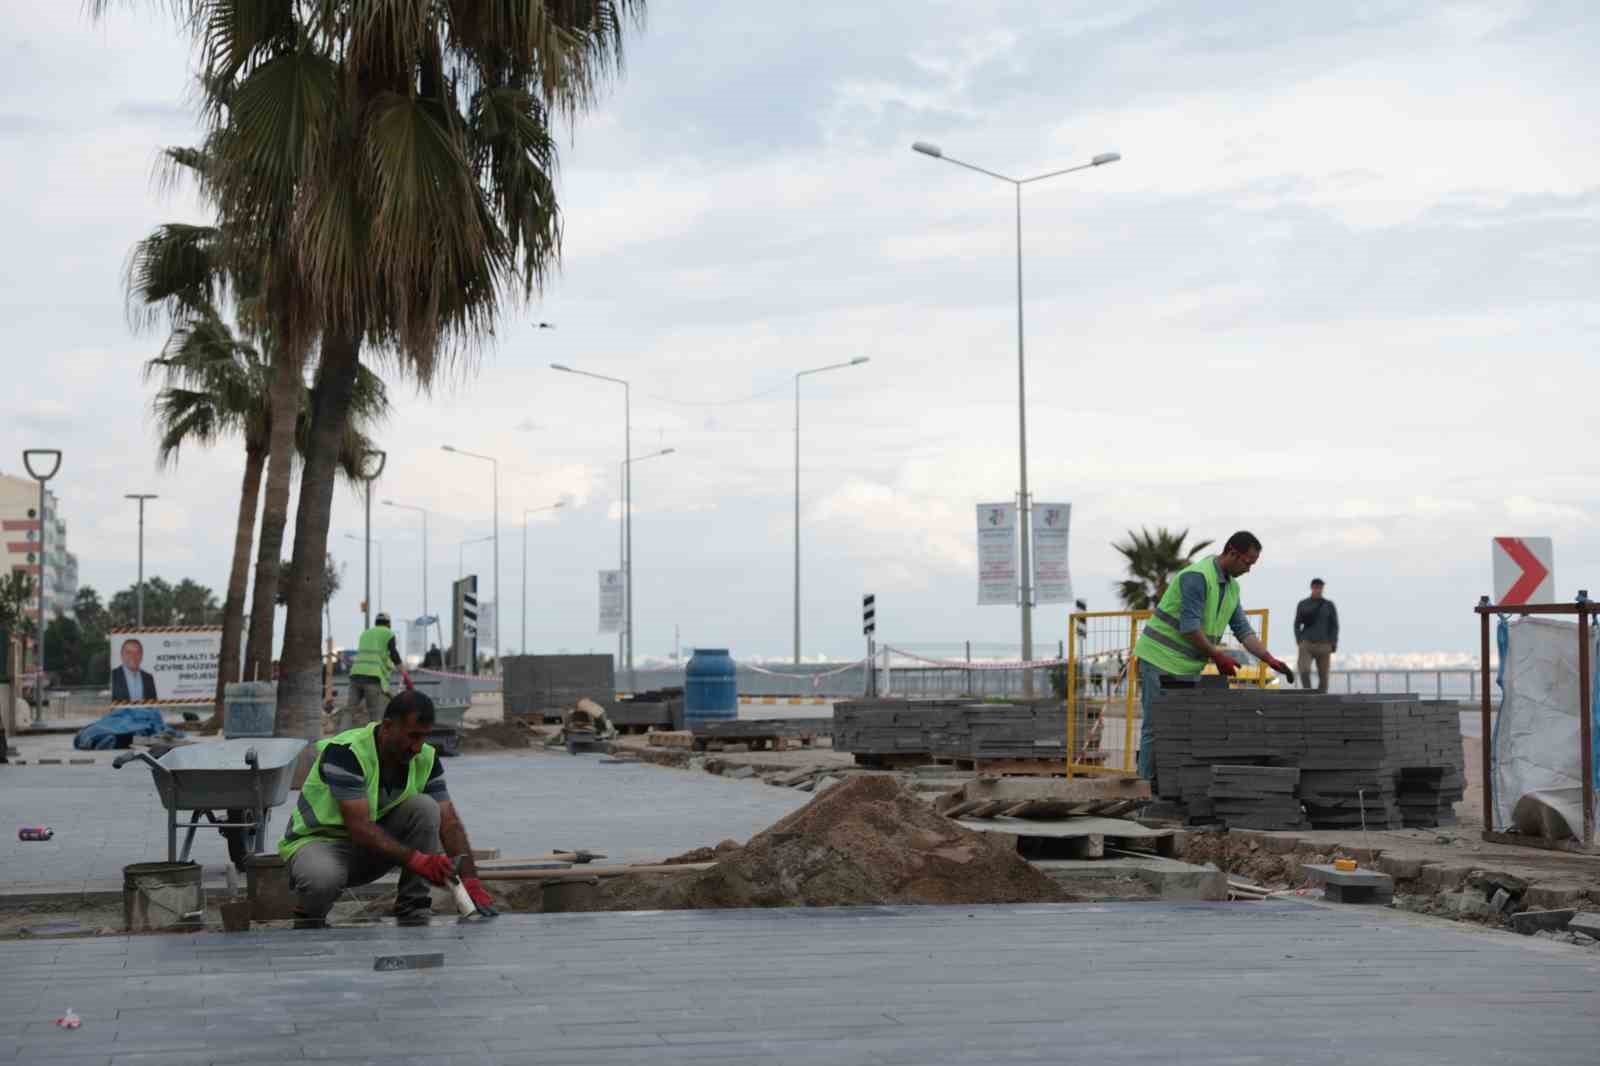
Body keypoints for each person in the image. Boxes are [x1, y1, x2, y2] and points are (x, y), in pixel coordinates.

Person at [279, 688, 496, 927]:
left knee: (426, 808)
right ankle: (309, 917)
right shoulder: (346, 752)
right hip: (319, 844)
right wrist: (420, 861)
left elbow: (449, 822)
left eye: (424, 737)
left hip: (370, 851)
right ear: (388, 726)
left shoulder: (424, 757)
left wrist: (471, 880)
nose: (417, 746)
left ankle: (413, 907)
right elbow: (359, 827)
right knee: (321, 879)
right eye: (412, 736)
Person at [1131, 531, 1296, 782]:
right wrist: (1218, 657)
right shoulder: (1197, 577)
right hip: (1158, 658)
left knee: (1179, 726)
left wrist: (1268, 658)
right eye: (1247, 563)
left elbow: (1242, 629)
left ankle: (1166, 785)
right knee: (1156, 725)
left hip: (1186, 666)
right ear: (1232, 552)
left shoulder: (1232, 587)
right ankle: (1143, 786)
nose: (1248, 569)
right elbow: (1189, 627)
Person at [339, 612, 404, 731]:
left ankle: (338, 738)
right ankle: (374, 742)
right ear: (388, 624)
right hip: (372, 678)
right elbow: (393, 653)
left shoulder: (365, 634)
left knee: (349, 710)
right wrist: (403, 670)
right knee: (374, 714)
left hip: (355, 675)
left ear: (376, 623)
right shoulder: (388, 633)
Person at [1294, 578, 1340, 693]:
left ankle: (1322, 698)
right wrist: (1299, 640)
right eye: (1316, 587)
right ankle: (1308, 693)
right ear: (1312, 588)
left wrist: (1333, 643)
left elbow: (1334, 625)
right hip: (1307, 643)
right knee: (1304, 670)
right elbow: (1297, 624)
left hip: (1324, 644)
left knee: (1324, 676)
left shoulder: (1329, 605)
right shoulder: (1303, 604)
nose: (1318, 590)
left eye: (1320, 588)